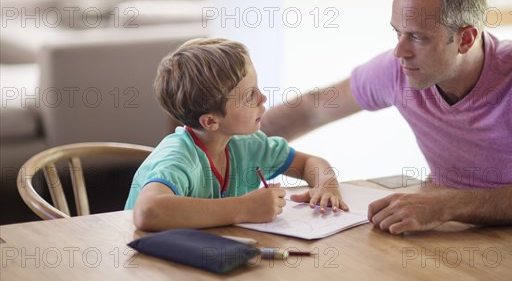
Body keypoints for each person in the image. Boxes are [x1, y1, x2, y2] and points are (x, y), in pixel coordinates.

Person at [261, 0, 512, 239]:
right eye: (397, 33)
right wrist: (225, 145)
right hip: (459, 233)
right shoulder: (400, 68)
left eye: (417, 37)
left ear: (465, 38)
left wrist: (444, 205)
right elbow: (312, 109)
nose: (400, 51)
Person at [125, 38, 348, 231]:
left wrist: (326, 185)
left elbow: (308, 162)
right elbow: (147, 211)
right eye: (250, 95)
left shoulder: (246, 143)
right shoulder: (178, 158)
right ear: (211, 121)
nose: (263, 98)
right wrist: (244, 208)